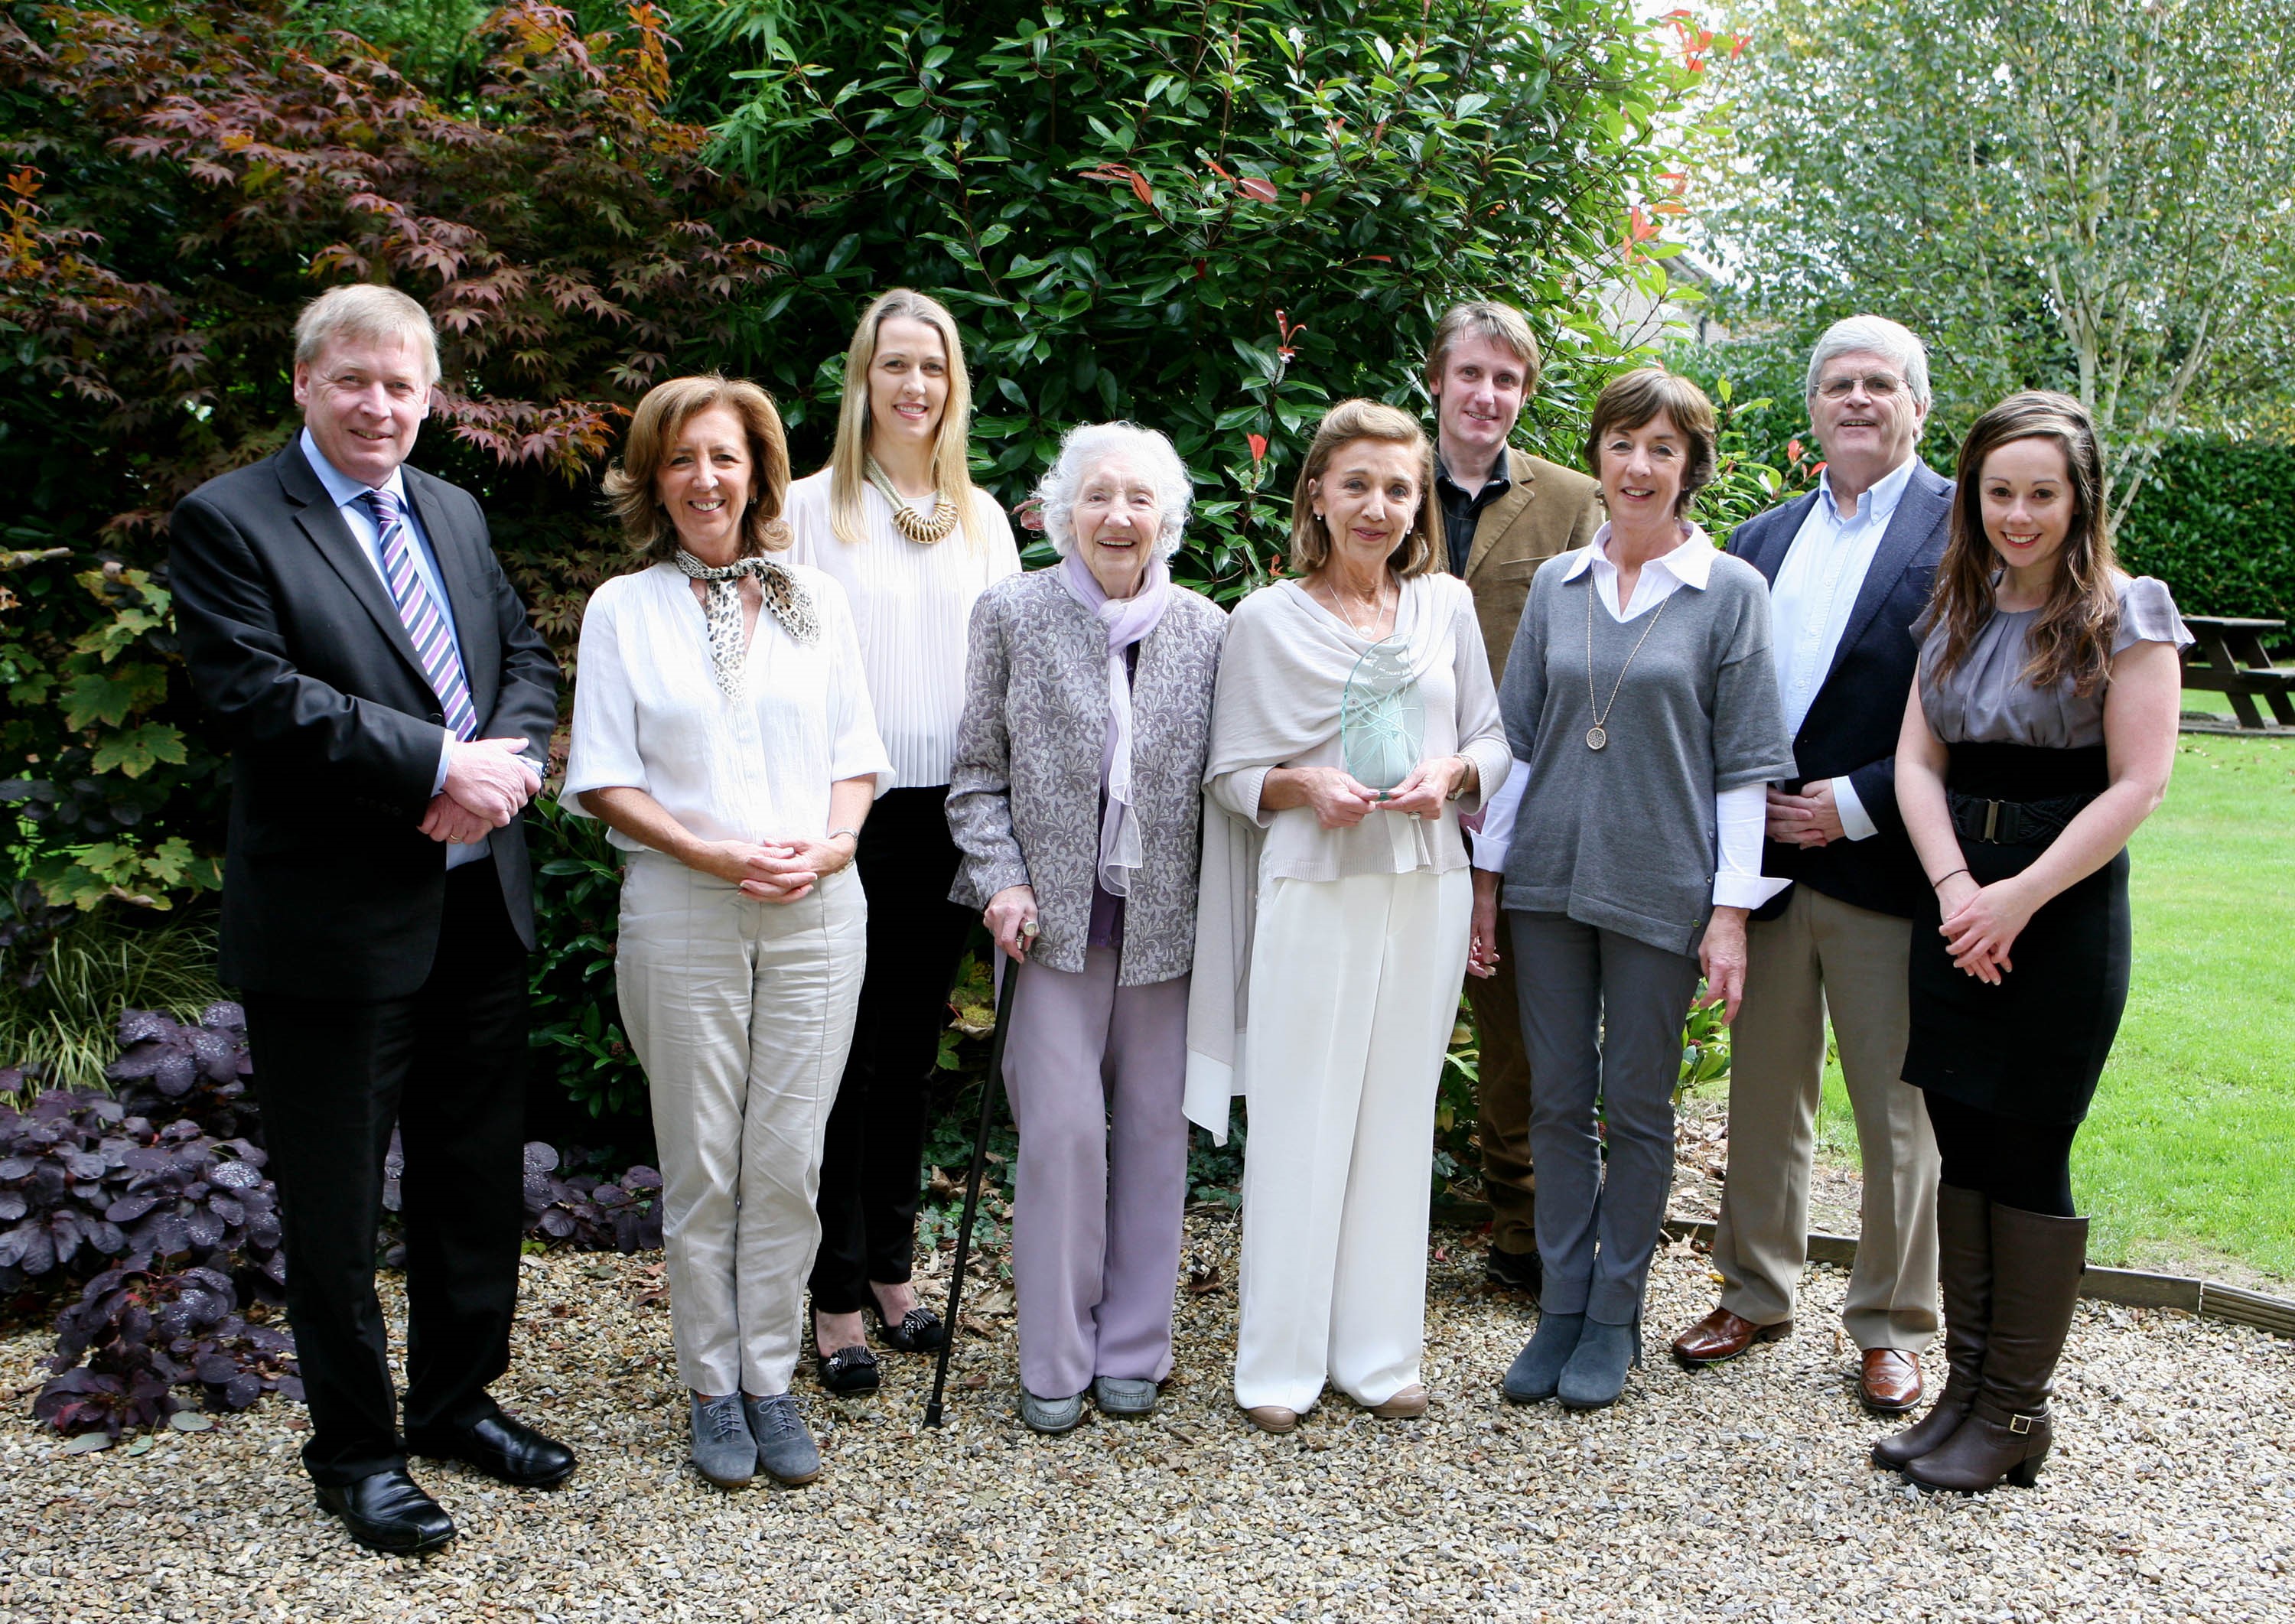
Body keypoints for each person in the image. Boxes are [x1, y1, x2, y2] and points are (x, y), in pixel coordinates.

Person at [170, 285, 568, 1555]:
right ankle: (356, 1452)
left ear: (431, 396)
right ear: (304, 383)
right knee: (337, 1209)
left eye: (402, 385)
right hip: (333, 926)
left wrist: (502, 769)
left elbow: (523, 660)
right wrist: (439, 768)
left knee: (473, 1182)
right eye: (353, 380)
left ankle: (457, 1405)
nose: (379, 406)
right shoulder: (231, 520)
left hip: (478, 905)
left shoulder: (453, 509)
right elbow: (255, 698)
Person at [565, 375, 890, 1489]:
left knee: (790, 1158)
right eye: (682, 460)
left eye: (725, 458)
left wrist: (836, 846)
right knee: (703, 1161)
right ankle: (712, 1387)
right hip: (684, 910)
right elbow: (602, 777)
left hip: (818, 910)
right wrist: (711, 853)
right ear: (654, 480)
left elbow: (856, 754)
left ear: (758, 473)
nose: (705, 479)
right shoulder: (624, 610)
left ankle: (771, 1377)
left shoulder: (817, 600)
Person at [1187, 399, 1511, 1435]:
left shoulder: (1446, 607)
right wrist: (1304, 786)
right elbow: (1229, 775)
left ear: (1420, 505)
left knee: (1397, 1117)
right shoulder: (1265, 619)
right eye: (1357, 484)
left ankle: (1378, 1355)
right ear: (1317, 495)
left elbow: (1494, 742)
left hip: (1425, 883)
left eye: (1398, 489)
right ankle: (1279, 1366)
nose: (1377, 506)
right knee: (1302, 1117)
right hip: (1314, 885)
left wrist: (1452, 773)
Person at [1880, 391, 2184, 1492]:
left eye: (2041, 494)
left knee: (2028, 1150)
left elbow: (2140, 784)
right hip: (1957, 905)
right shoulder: (1955, 607)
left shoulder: (2129, 613)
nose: (2017, 515)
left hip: (2061, 914)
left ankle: (2016, 1412)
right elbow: (1917, 763)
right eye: (1998, 492)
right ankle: (1964, 1395)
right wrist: (1960, 890)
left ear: (2080, 499)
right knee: (1961, 1144)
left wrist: (2017, 900)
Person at [1481, 369, 1796, 1412]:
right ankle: (1562, 1306)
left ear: (1691, 466)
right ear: (1599, 457)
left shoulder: (1729, 593)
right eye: (1622, 444)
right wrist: (1487, 880)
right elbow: (1520, 746)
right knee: (1556, 1101)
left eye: (1664, 447)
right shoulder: (1559, 585)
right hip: (1546, 881)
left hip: (1662, 886)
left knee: (1637, 1105)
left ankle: (1616, 1311)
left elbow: (1745, 768)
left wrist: (1731, 912)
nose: (1639, 466)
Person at [1669, 316, 1953, 1417]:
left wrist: (1858, 804)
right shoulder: (1760, 537)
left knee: (1897, 1113)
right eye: (1839, 384)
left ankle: (1892, 1325)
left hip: (1887, 865)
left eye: (1880, 383)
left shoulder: (1962, 529)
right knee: (1763, 1097)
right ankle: (1754, 1291)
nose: (1858, 399)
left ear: (1917, 406)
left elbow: (1970, 703)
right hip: (1769, 872)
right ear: (1814, 408)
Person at [945, 422, 1227, 1434]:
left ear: (1167, 520)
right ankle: (1055, 1357)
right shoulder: (1012, 614)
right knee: (1061, 1139)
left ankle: (1135, 1349)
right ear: (1065, 513)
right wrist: (1001, 882)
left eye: (1140, 498)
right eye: (1098, 496)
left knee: (1154, 1134)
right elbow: (976, 776)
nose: (1118, 516)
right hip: (1047, 930)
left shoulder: (1207, 630)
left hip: (1165, 930)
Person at [784, 289, 1022, 1395]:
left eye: (932, 366)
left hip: (953, 819)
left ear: (953, 383)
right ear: (862, 380)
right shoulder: (804, 511)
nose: (913, 385)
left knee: (915, 1056)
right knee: (844, 1059)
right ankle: (832, 1293)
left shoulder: (984, 521)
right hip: (847, 816)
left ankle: (890, 1267)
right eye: (894, 365)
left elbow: (1009, 680)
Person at [1424, 300, 1605, 1298]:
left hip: (1519, 802)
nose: (1487, 395)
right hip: (1391, 798)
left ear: (1524, 394)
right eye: (1471, 374)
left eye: (1507, 380)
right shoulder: (1381, 482)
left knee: (1521, 1041)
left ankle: (1525, 1230)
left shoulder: (1573, 502)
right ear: (1437, 382)